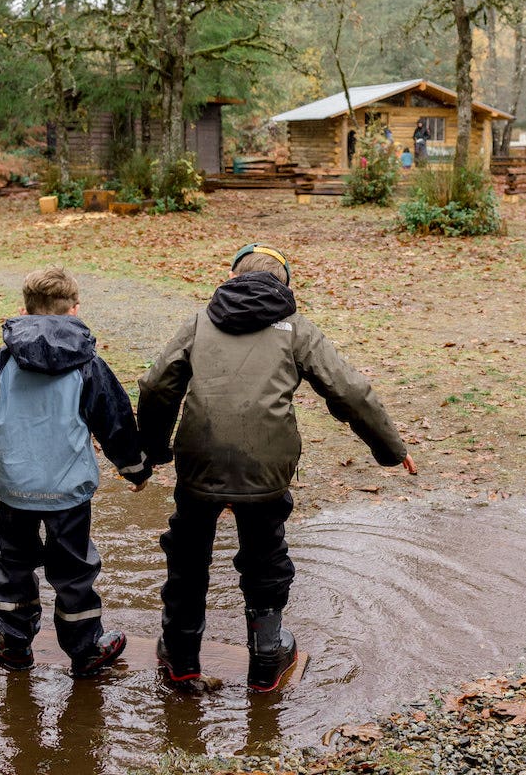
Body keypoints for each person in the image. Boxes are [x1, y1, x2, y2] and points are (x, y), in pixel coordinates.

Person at [137, 245, 417, 692]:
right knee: (265, 555)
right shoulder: (296, 329)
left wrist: (152, 451)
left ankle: (180, 657)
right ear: (285, 284)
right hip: (266, 467)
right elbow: (349, 391)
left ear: (230, 276)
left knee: (188, 555)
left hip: (199, 462)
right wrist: (390, 449)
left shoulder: (199, 322)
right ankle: (267, 658)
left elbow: (156, 385)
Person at [0, 267, 151, 676]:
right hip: (68, 490)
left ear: (23, 310)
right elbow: (113, 420)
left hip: (15, 488)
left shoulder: (4, 360)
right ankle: (84, 651)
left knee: (13, 563)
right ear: (75, 311)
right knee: (74, 568)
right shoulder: (88, 363)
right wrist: (135, 468)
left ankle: (14, 644)